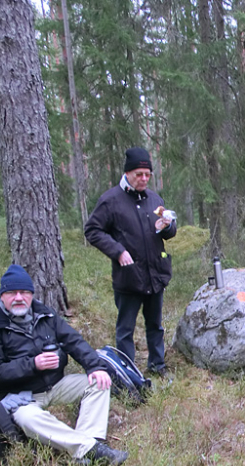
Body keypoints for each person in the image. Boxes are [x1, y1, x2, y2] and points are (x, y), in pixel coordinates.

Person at [0, 265, 128, 466]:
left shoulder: (45, 315)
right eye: (12, 293)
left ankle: (90, 445)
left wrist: (95, 367)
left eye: (24, 292)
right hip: (19, 397)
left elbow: (74, 341)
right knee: (29, 419)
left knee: (99, 382)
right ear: (3, 296)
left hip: (54, 385)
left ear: (31, 294)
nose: (19, 297)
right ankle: (90, 449)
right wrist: (33, 364)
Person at [85, 147, 177, 378]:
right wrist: (117, 251)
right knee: (125, 330)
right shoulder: (110, 200)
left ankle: (157, 365)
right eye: (139, 174)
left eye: (147, 174)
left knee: (155, 325)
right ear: (127, 173)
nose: (144, 179)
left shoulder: (154, 199)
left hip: (155, 273)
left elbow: (169, 233)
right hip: (129, 276)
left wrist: (167, 226)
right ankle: (128, 371)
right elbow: (92, 230)